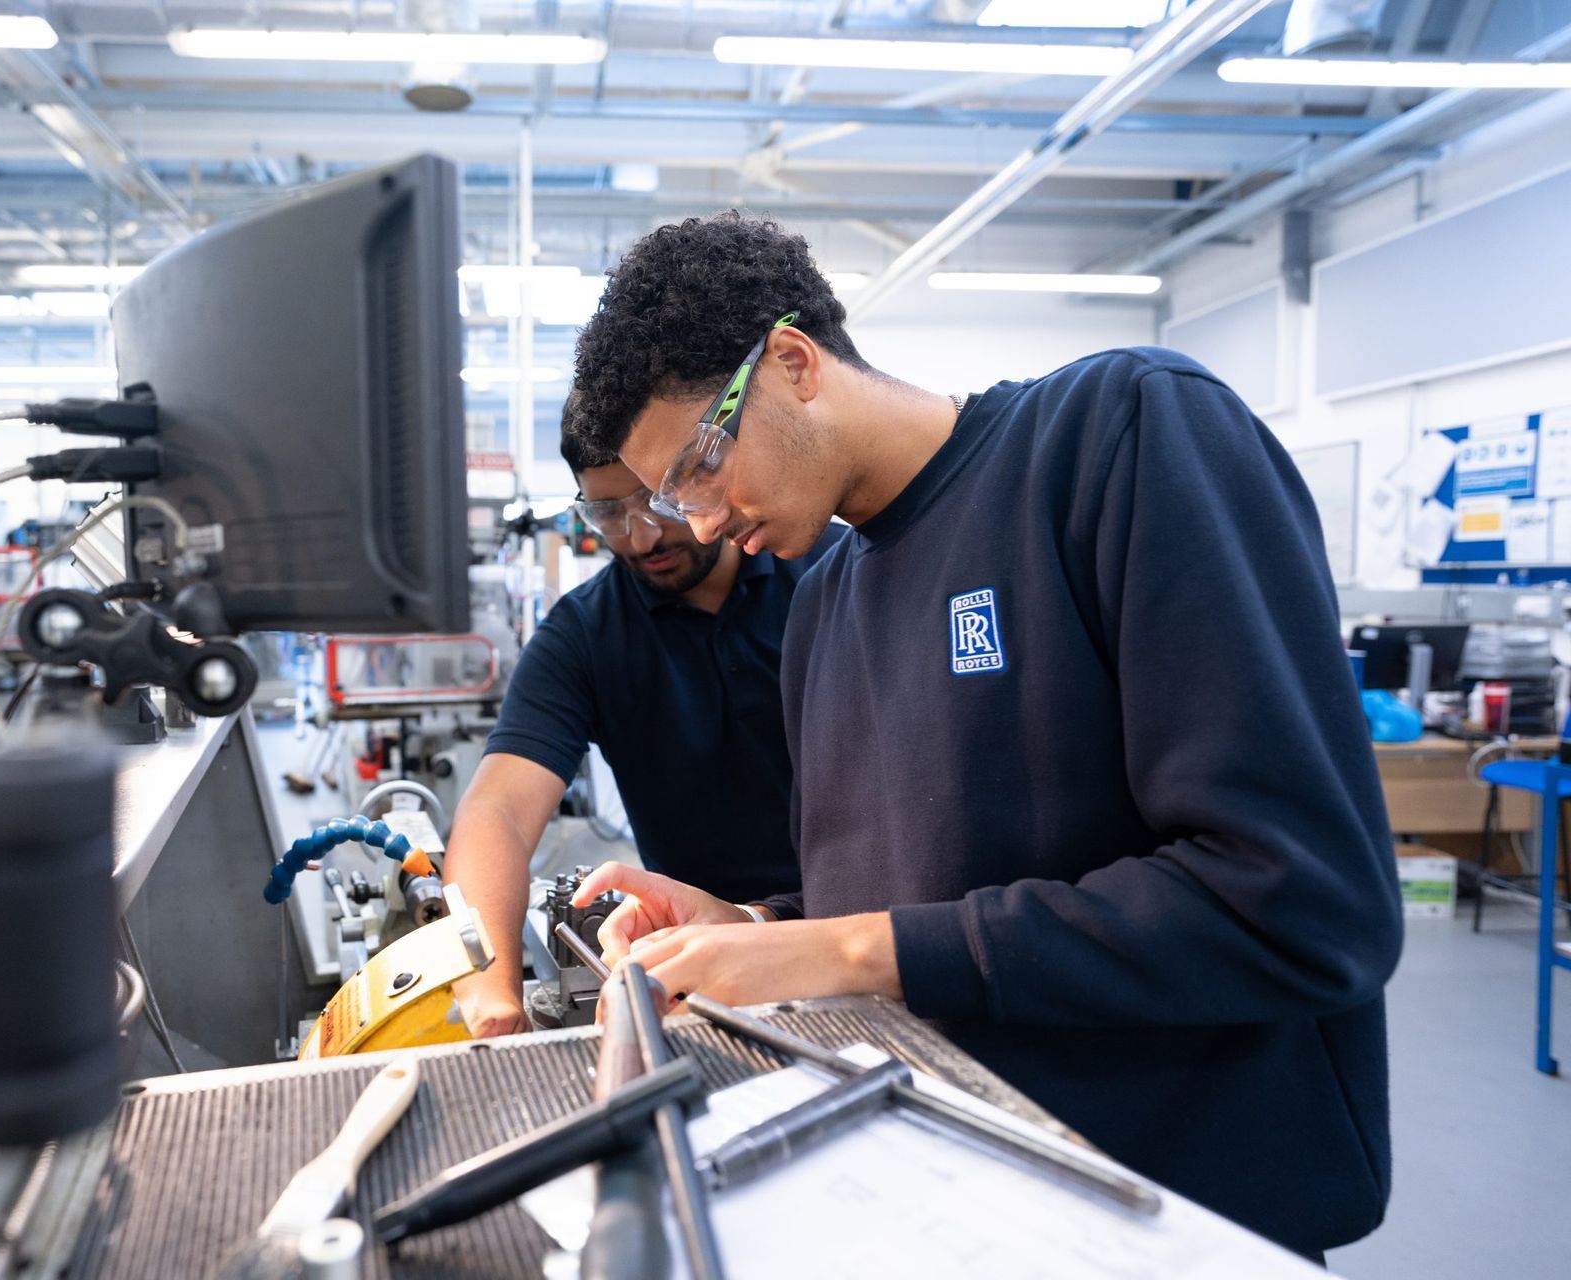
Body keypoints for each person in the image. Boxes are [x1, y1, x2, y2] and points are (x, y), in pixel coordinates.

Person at [559, 211, 1402, 1260]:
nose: (693, 523)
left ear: (791, 361)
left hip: (1173, 1214)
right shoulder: (824, 610)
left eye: (698, 465)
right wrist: (753, 922)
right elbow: (911, 901)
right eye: (663, 497)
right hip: (959, 1199)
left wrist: (844, 946)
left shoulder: (1119, 437)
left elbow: (1300, 898)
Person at [443, 415, 843, 1038]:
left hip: (856, 930)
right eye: (607, 513)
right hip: (699, 958)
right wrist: (491, 993)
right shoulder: (583, 635)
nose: (642, 536)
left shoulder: (834, 572)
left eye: (659, 498)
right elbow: (499, 809)